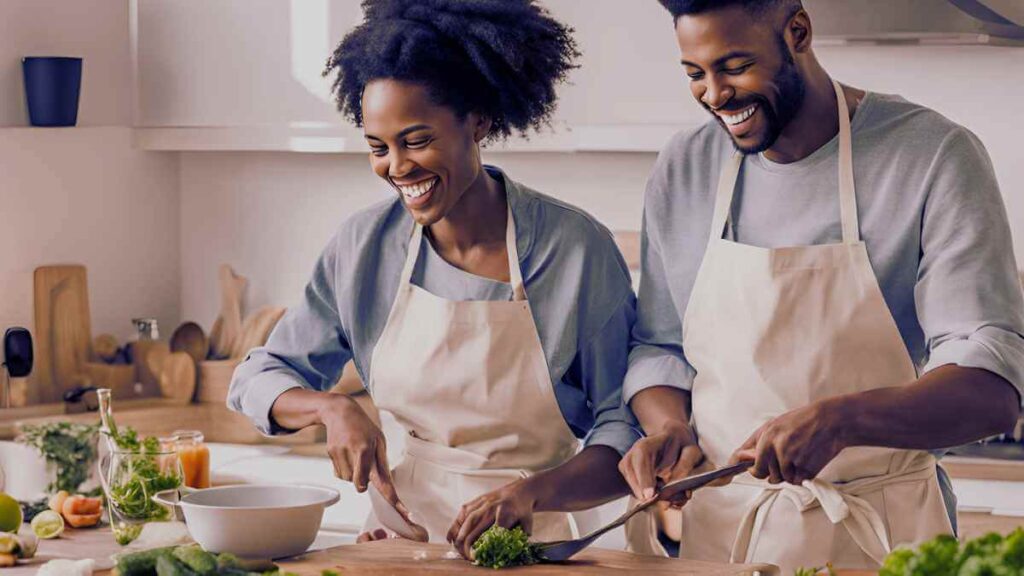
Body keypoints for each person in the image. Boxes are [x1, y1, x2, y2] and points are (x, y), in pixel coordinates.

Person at [618, 0, 1024, 571]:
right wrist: (669, 428)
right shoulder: (686, 166)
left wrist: (841, 421)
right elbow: (659, 348)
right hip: (726, 542)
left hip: (881, 538)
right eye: (694, 74)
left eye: (734, 66)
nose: (714, 94)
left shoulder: (932, 155)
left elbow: (991, 393)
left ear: (798, 32)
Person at [228, 0, 639, 559]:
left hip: (549, 542)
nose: (397, 168)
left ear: (478, 120)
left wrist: (531, 494)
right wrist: (333, 409)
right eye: (379, 147)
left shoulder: (574, 250)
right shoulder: (364, 247)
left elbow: (627, 430)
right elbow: (256, 377)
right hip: (409, 545)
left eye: (416, 140)